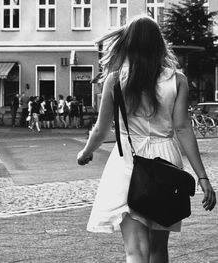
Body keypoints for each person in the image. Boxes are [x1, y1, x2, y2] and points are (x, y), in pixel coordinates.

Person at [77, 15, 216, 263]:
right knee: (158, 250)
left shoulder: (115, 79)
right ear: (159, 44)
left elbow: (100, 129)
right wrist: (202, 177)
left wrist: (85, 153)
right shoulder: (177, 80)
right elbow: (183, 128)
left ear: (128, 43)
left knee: (135, 251)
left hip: (127, 165)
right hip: (166, 162)